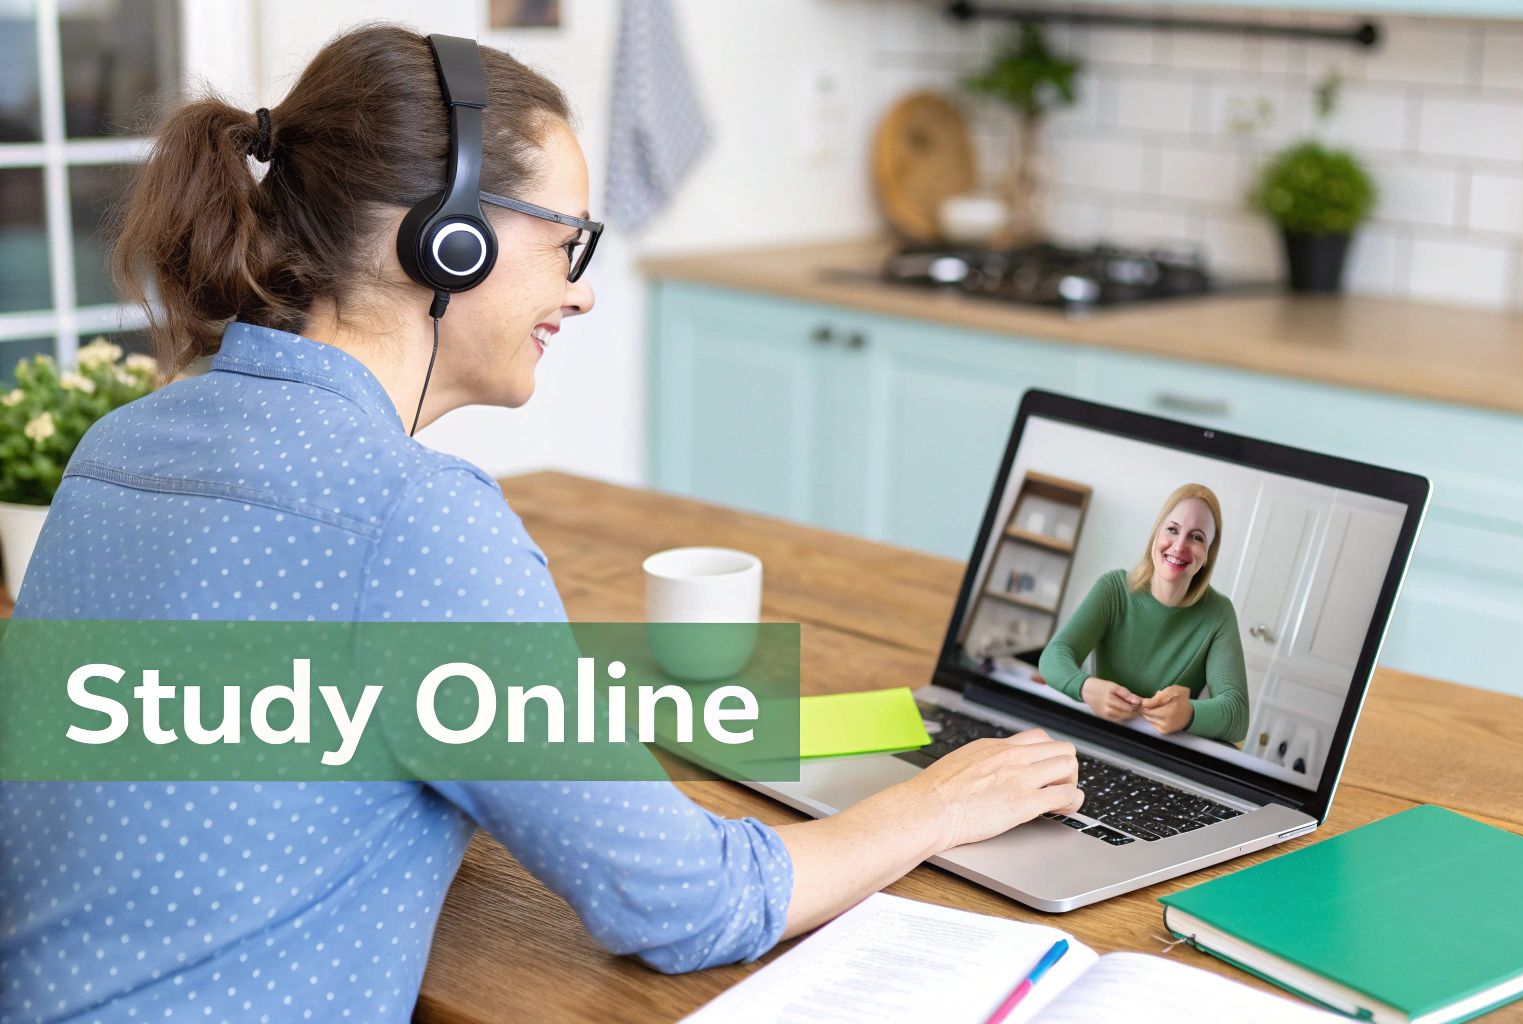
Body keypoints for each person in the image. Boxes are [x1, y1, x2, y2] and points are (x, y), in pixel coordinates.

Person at [0, 26, 1080, 1023]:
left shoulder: (120, 445)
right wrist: (939, 803)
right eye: (570, 241)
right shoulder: (413, 516)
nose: (581, 292)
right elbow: (684, 903)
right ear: (449, 240)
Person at [1039, 483, 1250, 744]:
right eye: (1172, 530)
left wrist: (1188, 714)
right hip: (1099, 737)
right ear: (1156, 534)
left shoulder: (1218, 613)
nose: (1179, 546)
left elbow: (1237, 715)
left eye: (1196, 537)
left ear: (1208, 553)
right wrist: (1086, 687)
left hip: (1162, 750)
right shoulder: (1114, 589)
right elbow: (1054, 655)